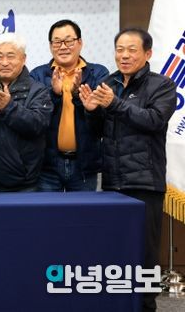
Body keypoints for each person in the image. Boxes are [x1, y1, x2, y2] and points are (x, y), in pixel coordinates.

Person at [79, 28, 176, 312]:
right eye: (119, 49)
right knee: (115, 252)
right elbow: (98, 131)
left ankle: (146, 306)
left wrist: (114, 103)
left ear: (147, 53)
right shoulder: (109, 83)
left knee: (145, 255)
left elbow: (154, 120)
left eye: (132, 50)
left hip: (145, 182)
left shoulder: (162, 85)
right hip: (113, 182)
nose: (124, 55)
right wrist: (91, 111)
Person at [30, 20, 109, 191]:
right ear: (50, 46)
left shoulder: (98, 73)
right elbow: (36, 121)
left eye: (69, 41)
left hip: (84, 165)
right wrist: (55, 94)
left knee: (83, 210)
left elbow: (101, 124)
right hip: (47, 166)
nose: (63, 47)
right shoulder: (37, 75)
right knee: (46, 209)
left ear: (80, 43)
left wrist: (77, 97)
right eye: (57, 42)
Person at [0, 32, 52, 192]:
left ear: (23, 59)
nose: (4, 62)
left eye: (11, 56)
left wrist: (8, 107)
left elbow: (37, 125)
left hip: (23, 184)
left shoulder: (37, 90)